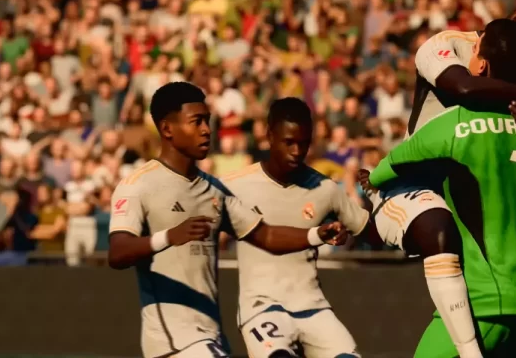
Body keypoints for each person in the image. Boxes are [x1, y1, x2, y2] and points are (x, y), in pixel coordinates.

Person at [367, 0, 516, 358]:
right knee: (440, 228)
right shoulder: (449, 45)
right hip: (414, 184)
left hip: (472, 195)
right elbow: (463, 88)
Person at [108, 82, 348, 358]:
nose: (207, 130)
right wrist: (168, 237)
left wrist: (317, 234)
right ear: (167, 129)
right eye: (196, 121)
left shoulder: (213, 190)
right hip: (172, 343)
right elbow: (118, 252)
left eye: (207, 120)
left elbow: (266, 236)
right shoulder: (139, 185)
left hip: (211, 339)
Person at [222, 97, 369, 358]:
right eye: (289, 142)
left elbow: (368, 229)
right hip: (262, 308)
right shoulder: (233, 186)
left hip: (313, 307)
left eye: (304, 143)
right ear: (269, 136)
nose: (297, 151)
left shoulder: (325, 188)